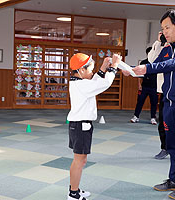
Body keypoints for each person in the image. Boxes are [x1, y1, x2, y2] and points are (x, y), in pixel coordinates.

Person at [133, 9, 175, 199]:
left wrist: (146, 68)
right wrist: (132, 69)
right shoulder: (166, 48)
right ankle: (174, 179)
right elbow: (154, 63)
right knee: (172, 145)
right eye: (162, 28)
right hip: (169, 103)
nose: (164, 32)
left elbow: (173, 64)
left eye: (167, 28)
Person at [67, 53, 121, 200]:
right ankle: (73, 194)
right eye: (90, 69)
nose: (92, 72)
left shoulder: (80, 82)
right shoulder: (82, 85)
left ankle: (74, 189)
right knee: (79, 160)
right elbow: (104, 84)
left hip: (80, 125)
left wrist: (103, 68)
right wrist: (114, 67)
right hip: (81, 126)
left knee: (81, 159)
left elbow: (95, 81)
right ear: (81, 70)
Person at [148, 32, 169, 160]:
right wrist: (158, 43)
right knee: (162, 122)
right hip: (163, 90)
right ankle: (165, 148)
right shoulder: (160, 46)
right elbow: (151, 61)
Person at [130, 47, 158, 125]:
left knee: (154, 103)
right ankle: (136, 116)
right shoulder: (143, 62)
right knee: (140, 101)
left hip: (154, 87)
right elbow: (139, 75)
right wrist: (139, 85)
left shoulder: (157, 63)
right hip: (144, 86)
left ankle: (153, 118)